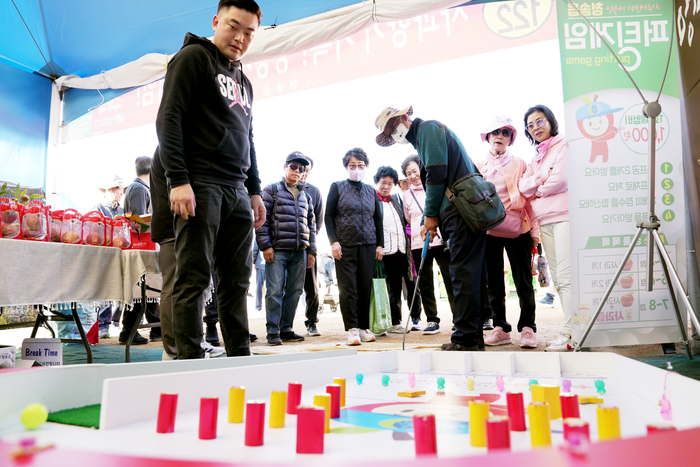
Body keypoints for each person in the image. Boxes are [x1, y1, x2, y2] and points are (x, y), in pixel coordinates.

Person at [156, 0, 265, 359]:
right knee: (193, 279)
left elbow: (247, 137)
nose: (240, 37)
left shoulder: (244, 82)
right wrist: (179, 180)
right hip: (199, 183)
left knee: (237, 284)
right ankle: (188, 364)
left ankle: (240, 361)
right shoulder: (192, 58)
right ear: (217, 21)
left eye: (248, 32)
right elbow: (168, 119)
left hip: (236, 190)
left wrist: (254, 190)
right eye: (233, 26)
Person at [375, 105, 485, 351]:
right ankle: (473, 336)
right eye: (389, 133)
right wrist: (429, 216)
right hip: (461, 210)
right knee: (470, 273)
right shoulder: (425, 135)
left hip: (461, 211)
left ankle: (466, 337)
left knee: (463, 273)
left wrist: (431, 215)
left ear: (404, 117)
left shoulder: (426, 129)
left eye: (393, 127)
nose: (394, 134)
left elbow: (435, 176)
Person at [151, 149, 226, 360]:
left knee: (191, 283)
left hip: (180, 223)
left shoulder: (175, 144)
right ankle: (174, 348)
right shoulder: (171, 144)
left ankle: (190, 342)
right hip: (174, 225)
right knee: (176, 284)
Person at [476, 116, 539, 349]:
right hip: (489, 230)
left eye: (505, 132)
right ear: (488, 137)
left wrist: (535, 231)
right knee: (493, 282)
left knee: (523, 281)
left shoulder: (521, 163)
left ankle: (528, 328)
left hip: (519, 226)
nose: (499, 136)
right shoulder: (479, 165)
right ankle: (500, 328)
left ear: (511, 138)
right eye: (495, 132)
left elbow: (530, 198)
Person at [518, 105, 571, 352]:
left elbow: (560, 180)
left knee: (567, 279)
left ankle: (573, 335)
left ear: (550, 121)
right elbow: (522, 186)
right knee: (559, 280)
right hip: (546, 221)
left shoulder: (563, 145)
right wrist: (542, 179)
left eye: (539, 122)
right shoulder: (536, 157)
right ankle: (570, 331)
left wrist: (538, 187)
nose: (535, 128)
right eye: (530, 125)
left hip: (565, 218)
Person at [256, 152, 316, 346]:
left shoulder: (306, 195)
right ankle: (273, 331)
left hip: (300, 251)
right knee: (274, 291)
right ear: (285, 167)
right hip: (278, 250)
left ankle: (286, 328)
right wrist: (265, 246)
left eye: (302, 168)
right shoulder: (271, 190)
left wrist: (312, 251)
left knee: (295, 291)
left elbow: (311, 226)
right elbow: (261, 221)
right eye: (294, 166)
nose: (297, 171)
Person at [325, 148, 384, 346]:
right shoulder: (337, 187)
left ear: (366, 167)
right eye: (352, 165)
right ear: (346, 167)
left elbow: (378, 219)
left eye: (360, 165)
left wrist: (380, 245)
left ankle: (363, 327)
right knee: (348, 287)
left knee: (364, 287)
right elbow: (328, 216)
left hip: (368, 244)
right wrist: (333, 241)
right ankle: (352, 329)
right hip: (345, 245)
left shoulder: (371, 191)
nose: (356, 169)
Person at [400, 155, 455, 335]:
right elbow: (408, 218)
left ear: (421, 169)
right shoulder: (405, 196)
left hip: (439, 241)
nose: (413, 176)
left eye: (415, 171)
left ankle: (458, 317)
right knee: (425, 284)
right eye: (409, 174)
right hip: (418, 244)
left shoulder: (434, 188)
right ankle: (432, 320)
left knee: (450, 279)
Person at [121, 156, 161, 345]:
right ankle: (129, 329)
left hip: (144, 246)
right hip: (140, 247)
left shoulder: (139, 188)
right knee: (140, 287)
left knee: (148, 286)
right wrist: (157, 222)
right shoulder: (138, 188)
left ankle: (156, 326)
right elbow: (135, 221)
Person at [374, 165, 417, 334]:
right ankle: (382, 322)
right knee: (383, 287)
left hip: (400, 250)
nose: (386, 186)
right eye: (383, 183)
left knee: (397, 288)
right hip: (384, 251)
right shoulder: (373, 200)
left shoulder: (396, 200)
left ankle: (395, 322)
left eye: (390, 183)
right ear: (377, 182)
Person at [93, 175, 125, 339]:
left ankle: (115, 322)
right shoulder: (98, 208)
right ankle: (103, 324)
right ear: (111, 189)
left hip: (119, 254)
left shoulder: (121, 210)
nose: (122, 193)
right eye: (120, 189)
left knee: (120, 287)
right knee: (106, 288)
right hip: (104, 254)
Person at [300, 155, 324, 337]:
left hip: (308, 247)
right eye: (300, 168)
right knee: (284, 288)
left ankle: (312, 322)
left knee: (312, 287)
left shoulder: (314, 192)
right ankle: (282, 325)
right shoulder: (277, 189)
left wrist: (311, 247)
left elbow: (318, 222)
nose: (303, 173)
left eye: (307, 170)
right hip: (284, 248)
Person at [252, 240, 265, 311]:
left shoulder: (259, 235)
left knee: (259, 286)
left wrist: (254, 261)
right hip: (270, 263)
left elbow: (255, 250)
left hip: (261, 263)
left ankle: (258, 306)